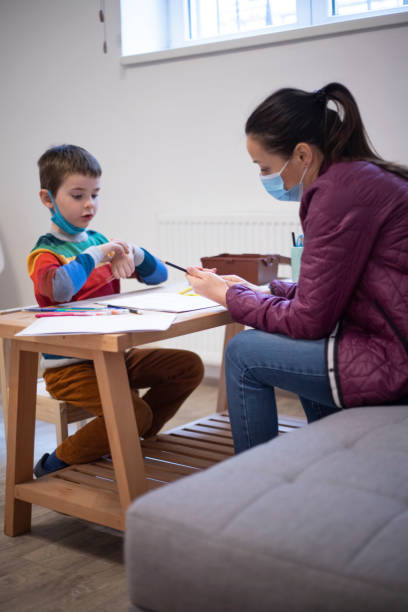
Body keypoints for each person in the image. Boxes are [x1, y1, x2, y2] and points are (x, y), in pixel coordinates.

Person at [186, 82, 408, 454]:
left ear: (302, 154)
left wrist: (229, 295)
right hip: (393, 342)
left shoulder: (338, 193)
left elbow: (310, 321)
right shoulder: (361, 178)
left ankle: (258, 488)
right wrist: (263, 291)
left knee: (244, 352)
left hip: (393, 358)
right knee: (291, 341)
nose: (266, 178)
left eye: (266, 167)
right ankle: (332, 462)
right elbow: (336, 291)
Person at [30, 144, 203, 476]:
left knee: (188, 367)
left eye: (95, 194)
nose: (89, 204)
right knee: (133, 413)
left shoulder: (99, 242)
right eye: (78, 195)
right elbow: (59, 288)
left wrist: (134, 252)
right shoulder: (45, 252)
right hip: (70, 370)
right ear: (48, 199)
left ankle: (131, 436)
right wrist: (98, 255)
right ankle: (55, 462)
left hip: (115, 357)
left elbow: (159, 276)